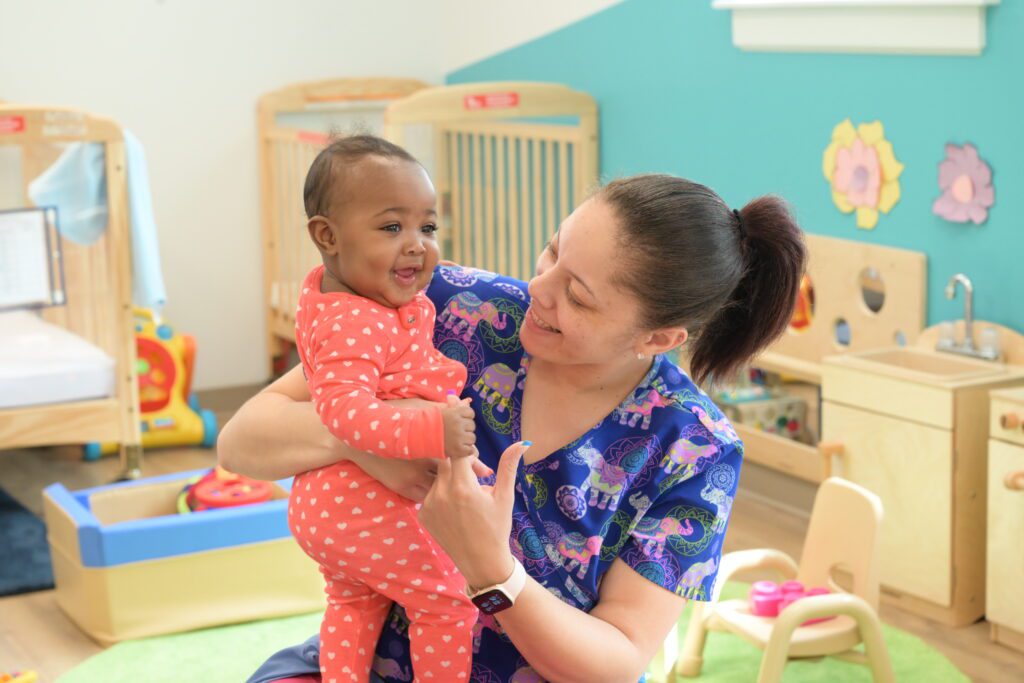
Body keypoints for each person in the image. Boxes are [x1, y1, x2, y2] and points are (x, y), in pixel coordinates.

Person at [220, 173, 806, 683]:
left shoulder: (694, 449)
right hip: (365, 659)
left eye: (576, 297)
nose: (538, 292)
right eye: (551, 254)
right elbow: (243, 439)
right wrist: (368, 441)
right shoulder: (449, 306)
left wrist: (491, 572)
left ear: (658, 339)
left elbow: (618, 658)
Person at [287, 135, 485, 683]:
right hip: (360, 503)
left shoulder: (336, 298)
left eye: (428, 227)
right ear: (327, 236)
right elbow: (343, 413)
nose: (418, 245)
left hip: (328, 503)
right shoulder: (357, 320)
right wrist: (434, 426)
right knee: (447, 602)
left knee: (354, 604)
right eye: (392, 228)